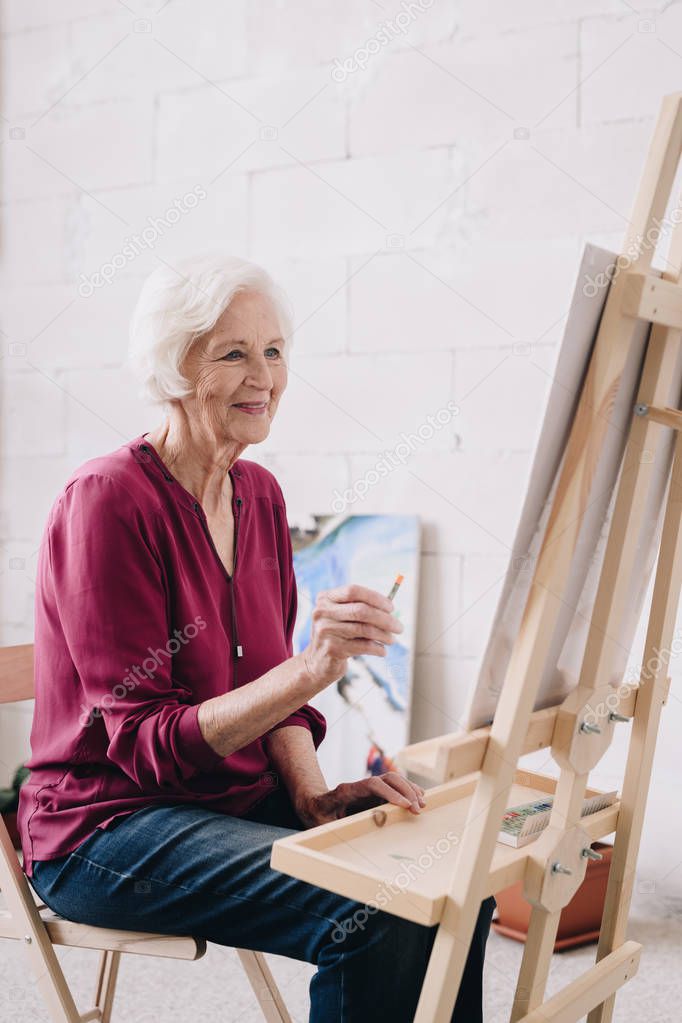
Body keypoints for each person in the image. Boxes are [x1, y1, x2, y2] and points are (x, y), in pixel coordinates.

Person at [19, 253, 496, 1021]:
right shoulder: (107, 502)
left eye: (274, 351)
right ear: (175, 367)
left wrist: (308, 793)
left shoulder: (259, 494)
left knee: (446, 877)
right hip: (105, 825)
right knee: (369, 909)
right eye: (234, 352)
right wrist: (314, 669)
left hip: (225, 800)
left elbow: (270, 684)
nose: (264, 376)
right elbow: (147, 742)